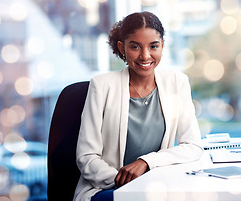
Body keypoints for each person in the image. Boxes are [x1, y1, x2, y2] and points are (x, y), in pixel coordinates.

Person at [74, 11, 203, 201]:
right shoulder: (101, 86)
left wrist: (146, 162)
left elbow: (192, 145)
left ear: (162, 46)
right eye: (135, 47)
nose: (145, 56)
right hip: (107, 189)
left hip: (154, 189)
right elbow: (87, 157)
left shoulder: (177, 82)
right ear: (122, 48)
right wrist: (126, 183)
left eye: (153, 46)